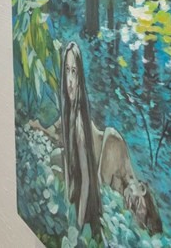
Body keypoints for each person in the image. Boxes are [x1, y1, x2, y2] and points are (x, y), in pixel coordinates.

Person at [61, 42, 103, 237]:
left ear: (80, 78)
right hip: (73, 204)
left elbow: (86, 180)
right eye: (67, 70)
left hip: (83, 215)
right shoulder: (68, 112)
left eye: (74, 72)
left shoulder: (78, 122)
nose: (70, 80)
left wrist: (77, 228)